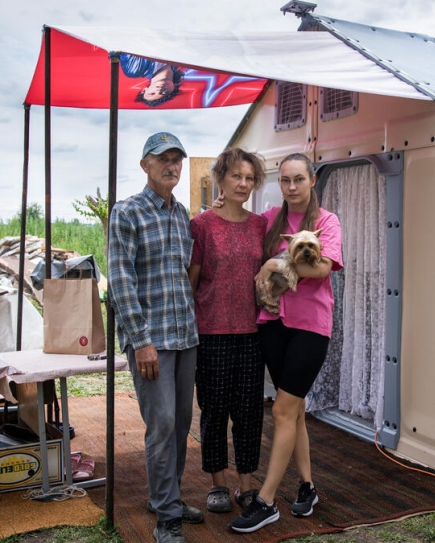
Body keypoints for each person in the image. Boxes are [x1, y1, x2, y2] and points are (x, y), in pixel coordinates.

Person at [229, 153, 343, 534]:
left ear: (313, 180)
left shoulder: (327, 222)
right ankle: (308, 487)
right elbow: (238, 224)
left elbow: (322, 267)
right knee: (292, 411)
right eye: (285, 181)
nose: (292, 187)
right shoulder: (268, 222)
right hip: (272, 323)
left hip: (310, 327)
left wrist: (273, 264)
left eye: (299, 179)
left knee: (281, 411)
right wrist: (222, 203)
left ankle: (266, 501)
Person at [108, 131, 203, 543]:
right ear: (145, 164)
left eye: (177, 159)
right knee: (161, 423)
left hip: (185, 337)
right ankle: (167, 517)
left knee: (181, 422)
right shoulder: (126, 213)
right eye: (163, 158)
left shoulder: (182, 214)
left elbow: (183, 274)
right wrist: (141, 340)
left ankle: (168, 496)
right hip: (152, 340)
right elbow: (121, 280)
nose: (172, 165)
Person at [187, 148, 268, 515]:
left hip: (252, 333)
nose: (243, 183)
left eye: (250, 178)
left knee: (249, 412)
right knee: (214, 410)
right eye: (236, 176)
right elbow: (191, 282)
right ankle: (218, 484)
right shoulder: (201, 225)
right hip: (212, 333)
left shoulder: (260, 226)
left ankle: (247, 485)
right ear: (219, 178)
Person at [119, 53, 185, 107]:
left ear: (144, 90)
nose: (158, 90)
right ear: (173, 89)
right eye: (164, 92)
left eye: (152, 93)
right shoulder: (182, 61)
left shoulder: (134, 70)